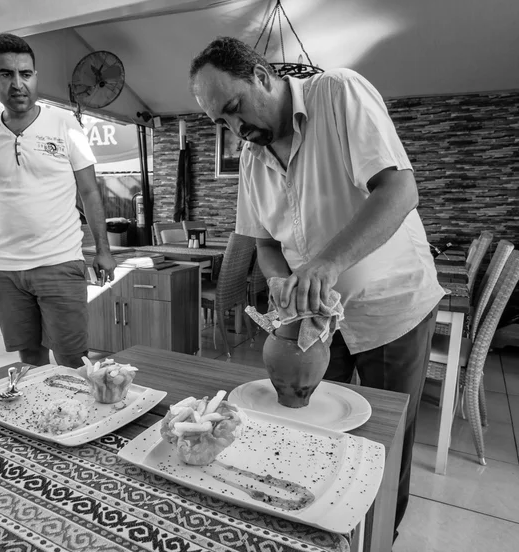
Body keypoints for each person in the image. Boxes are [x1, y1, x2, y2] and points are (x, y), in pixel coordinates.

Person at [190, 36, 445, 537]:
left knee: (381, 445)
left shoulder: (338, 93)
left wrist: (327, 264)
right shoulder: (251, 157)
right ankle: (315, 531)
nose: (236, 129)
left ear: (262, 76)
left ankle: (376, 540)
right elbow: (262, 243)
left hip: (388, 308)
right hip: (316, 320)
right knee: (314, 430)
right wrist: (281, 280)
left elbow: (399, 190)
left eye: (236, 109)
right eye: (222, 121)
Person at [0, 33, 116, 369]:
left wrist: (103, 251)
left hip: (60, 263)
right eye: (6, 74)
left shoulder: (64, 123)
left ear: (36, 76)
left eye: (26, 74)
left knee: (73, 360)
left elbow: (90, 191)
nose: (18, 84)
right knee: (30, 360)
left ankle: (80, 423)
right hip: (5, 270)